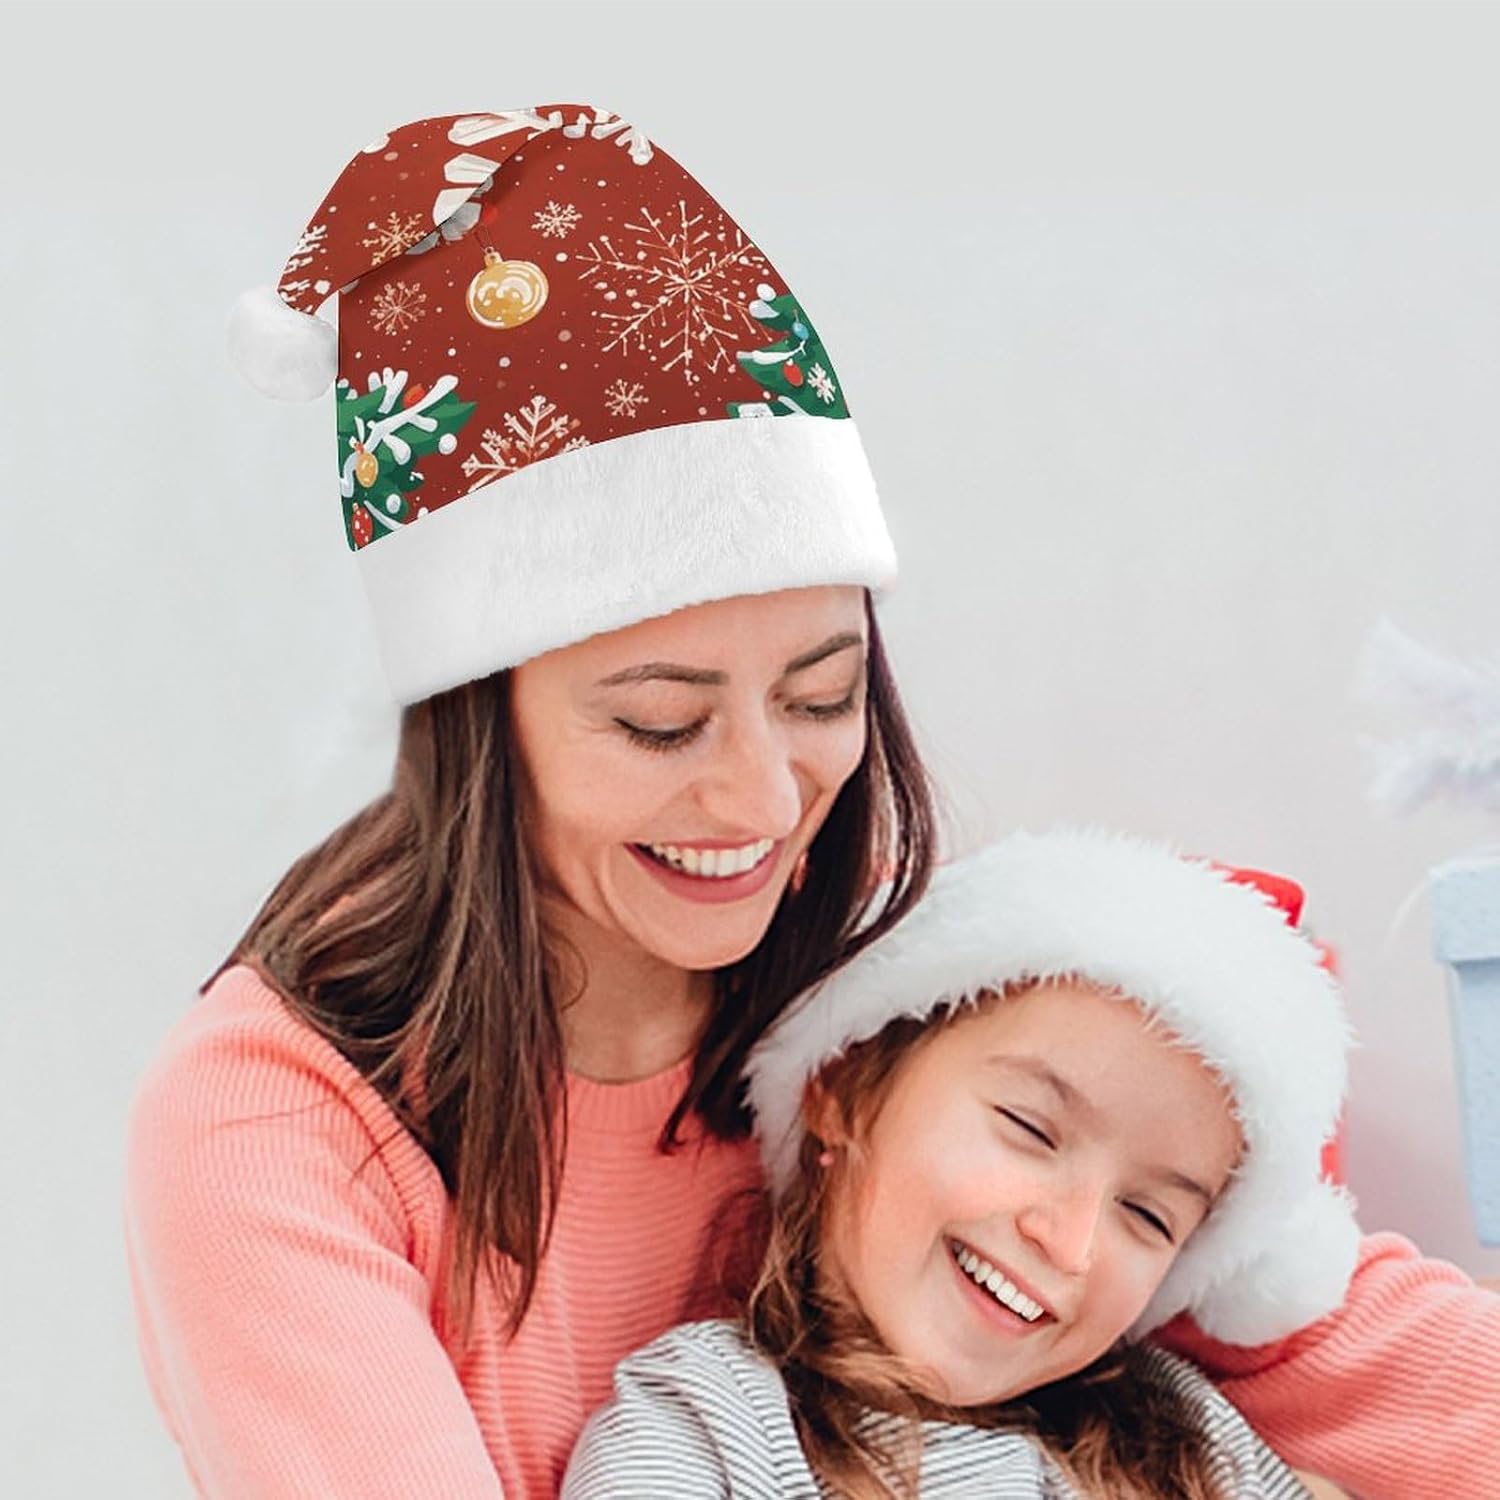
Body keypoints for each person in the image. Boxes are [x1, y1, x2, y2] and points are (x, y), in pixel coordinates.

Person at [124, 103, 1500, 1500]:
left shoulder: (876, 982)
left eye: (822, 695)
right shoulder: (279, 1125)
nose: (762, 799)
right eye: (661, 720)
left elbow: (1310, 1326)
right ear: (483, 724)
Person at [563, 828, 1358, 1498]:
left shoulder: (1185, 1435)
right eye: (1030, 1129)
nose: (1069, 1243)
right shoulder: (711, 1417)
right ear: (843, 1084)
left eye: (1148, 1216)